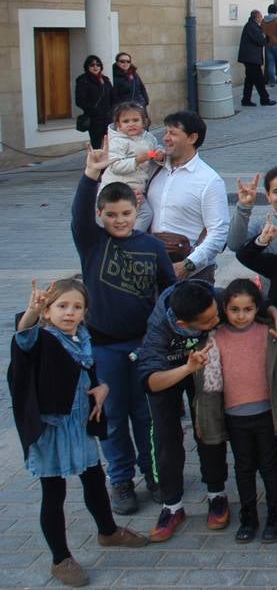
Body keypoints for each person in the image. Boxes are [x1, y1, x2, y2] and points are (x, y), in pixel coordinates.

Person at [10, 279, 148, 588]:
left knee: (94, 478)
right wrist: (31, 313)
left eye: (76, 307)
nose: (69, 313)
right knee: (54, 491)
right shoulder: (43, 338)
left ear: (85, 312)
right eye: (61, 306)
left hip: (80, 422)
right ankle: (61, 558)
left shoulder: (82, 337)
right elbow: (22, 339)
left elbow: (90, 374)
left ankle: (108, 531)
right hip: (52, 428)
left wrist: (102, 388)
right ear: (47, 311)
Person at [72, 142, 175, 516]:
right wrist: (90, 175)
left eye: (125, 213)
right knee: (112, 414)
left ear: (137, 211)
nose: (119, 220)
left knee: (146, 415)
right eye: (111, 214)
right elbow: (78, 218)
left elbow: (167, 291)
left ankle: (154, 473)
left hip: (144, 346)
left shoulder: (151, 245)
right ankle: (119, 478)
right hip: (103, 346)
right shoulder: (92, 243)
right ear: (100, 215)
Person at [134, 279, 230, 542]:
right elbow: (150, 381)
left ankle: (216, 494)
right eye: (209, 321)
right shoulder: (160, 329)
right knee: (165, 433)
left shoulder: (215, 297)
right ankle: (172, 505)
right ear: (182, 326)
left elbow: (257, 302)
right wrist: (187, 369)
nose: (218, 319)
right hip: (171, 370)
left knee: (209, 423)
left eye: (217, 313)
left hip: (205, 366)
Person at [213, 281, 277, 544]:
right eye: (234, 309)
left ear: (257, 308)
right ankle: (248, 516)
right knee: (244, 468)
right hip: (235, 415)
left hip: (265, 412)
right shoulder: (217, 335)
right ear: (225, 308)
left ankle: (276, 516)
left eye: (247, 309)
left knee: (269, 466)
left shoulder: (267, 332)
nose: (241, 315)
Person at [146, 110, 230, 281]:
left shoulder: (209, 180)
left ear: (192, 138)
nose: (165, 138)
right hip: (152, 268)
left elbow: (219, 232)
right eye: (165, 132)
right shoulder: (154, 169)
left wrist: (189, 264)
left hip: (192, 274)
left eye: (173, 133)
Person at [75, 55, 115, 148]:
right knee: (96, 145)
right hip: (95, 119)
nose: (95, 67)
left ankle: (109, 162)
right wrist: (93, 111)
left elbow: (112, 96)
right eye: (92, 65)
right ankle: (95, 162)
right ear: (87, 67)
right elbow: (79, 101)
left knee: (110, 144)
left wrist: (113, 110)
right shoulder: (83, 80)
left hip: (108, 117)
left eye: (98, 64)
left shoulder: (105, 79)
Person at [237, 10, 275, 106]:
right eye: (260, 17)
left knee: (249, 80)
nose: (262, 18)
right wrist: (266, 37)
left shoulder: (252, 26)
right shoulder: (252, 26)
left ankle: (246, 100)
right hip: (251, 58)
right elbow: (260, 40)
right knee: (259, 80)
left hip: (250, 57)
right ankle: (264, 99)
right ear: (256, 17)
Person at [261, 4, 277, 87]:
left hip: (268, 44)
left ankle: (272, 81)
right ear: (276, 11)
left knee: (270, 63)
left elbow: (262, 32)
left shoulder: (263, 20)